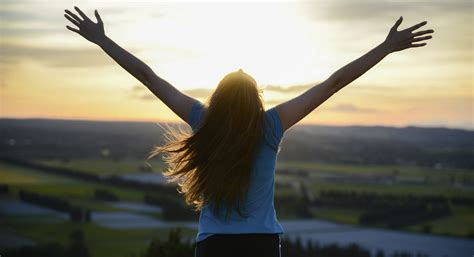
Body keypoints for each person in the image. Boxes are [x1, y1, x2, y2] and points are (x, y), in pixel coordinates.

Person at [64, 6, 434, 257]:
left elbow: (148, 77)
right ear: (255, 98)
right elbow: (334, 82)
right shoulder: (270, 126)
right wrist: (384, 49)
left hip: (213, 246)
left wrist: (102, 40)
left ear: (219, 96)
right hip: (260, 245)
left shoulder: (203, 121)